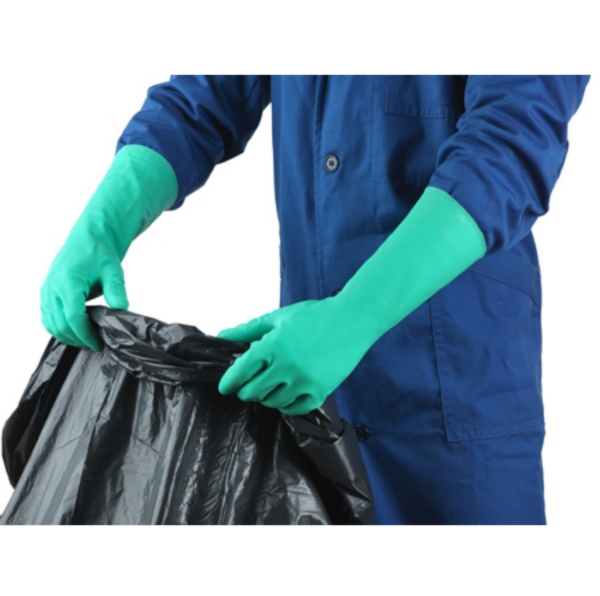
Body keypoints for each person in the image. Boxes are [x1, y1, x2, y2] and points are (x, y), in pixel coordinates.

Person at [40, 75, 589, 525]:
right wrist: (104, 221)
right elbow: (206, 91)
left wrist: (356, 317)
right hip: (310, 397)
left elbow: (510, 141)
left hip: (456, 413)